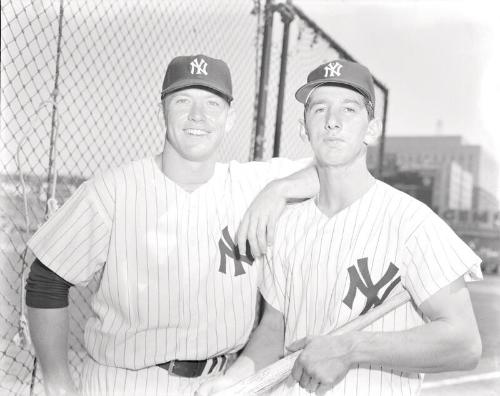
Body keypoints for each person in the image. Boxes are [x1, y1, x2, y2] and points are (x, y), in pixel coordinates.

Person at [25, 54, 319, 396]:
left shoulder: (252, 183)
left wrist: (279, 189)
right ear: (161, 111)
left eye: (212, 103)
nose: (198, 115)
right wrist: (58, 384)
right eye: (183, 101)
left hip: (223, 380)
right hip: (126, 381)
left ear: (230, 118)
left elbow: (336, 169)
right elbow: (47, 279)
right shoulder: (113, 190)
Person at [197, 59, 482, 396]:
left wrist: (353, 348)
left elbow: (465, 343)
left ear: (371, 129)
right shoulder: (287, 225)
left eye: (349, 109)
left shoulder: (412, 224)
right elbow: (274, 330)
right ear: (304, 129)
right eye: (319, 110)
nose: (333, 122)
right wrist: (232, 383)